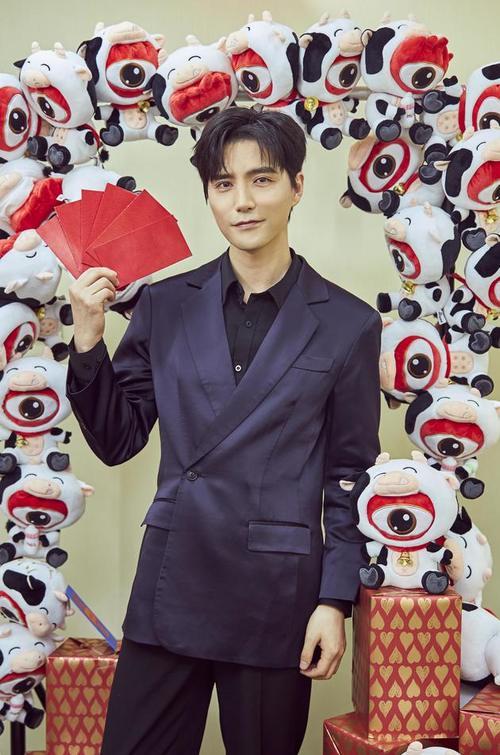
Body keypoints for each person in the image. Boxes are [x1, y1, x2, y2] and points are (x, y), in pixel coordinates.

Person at [66, 106, 381, 755]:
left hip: (276, 592)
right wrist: (89, 341)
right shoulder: (165, 303)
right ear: (208, 194)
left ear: (296, 185)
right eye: (223, 183)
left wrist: (335, 601)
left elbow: (349, 474)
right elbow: (119, 439)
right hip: (172, 578)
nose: (242, 201)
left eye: (261, 180)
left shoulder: (348, 323)